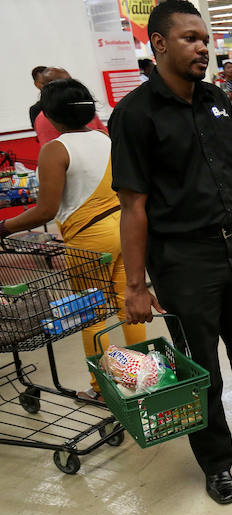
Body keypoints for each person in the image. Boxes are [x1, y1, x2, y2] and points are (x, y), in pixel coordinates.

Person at [109, 1, 232, 506]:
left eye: (205, 39)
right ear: (159, 43)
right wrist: (136, 285)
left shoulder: (218, 99)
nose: (203, 47)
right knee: (201, 364)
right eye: (191, 38)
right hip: (183, 258)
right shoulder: (134, 115)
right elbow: (133, 205)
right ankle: (216, 460)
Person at [0, 78, 146, 402]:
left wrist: (5, 226)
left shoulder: (55, 149)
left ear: (50, 116)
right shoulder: (104, 138)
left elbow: (45, 211)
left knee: (91, 315)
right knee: (128, 306)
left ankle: (102, 390)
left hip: (90, 239)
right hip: (123, 228)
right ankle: (143, 379)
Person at [34, 68, 107, 145]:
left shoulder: (83, 107)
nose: (71, 87)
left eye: (71, 81)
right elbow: (51, 148)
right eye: (63, 83)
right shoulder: (45, 117)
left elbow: (105, 134)